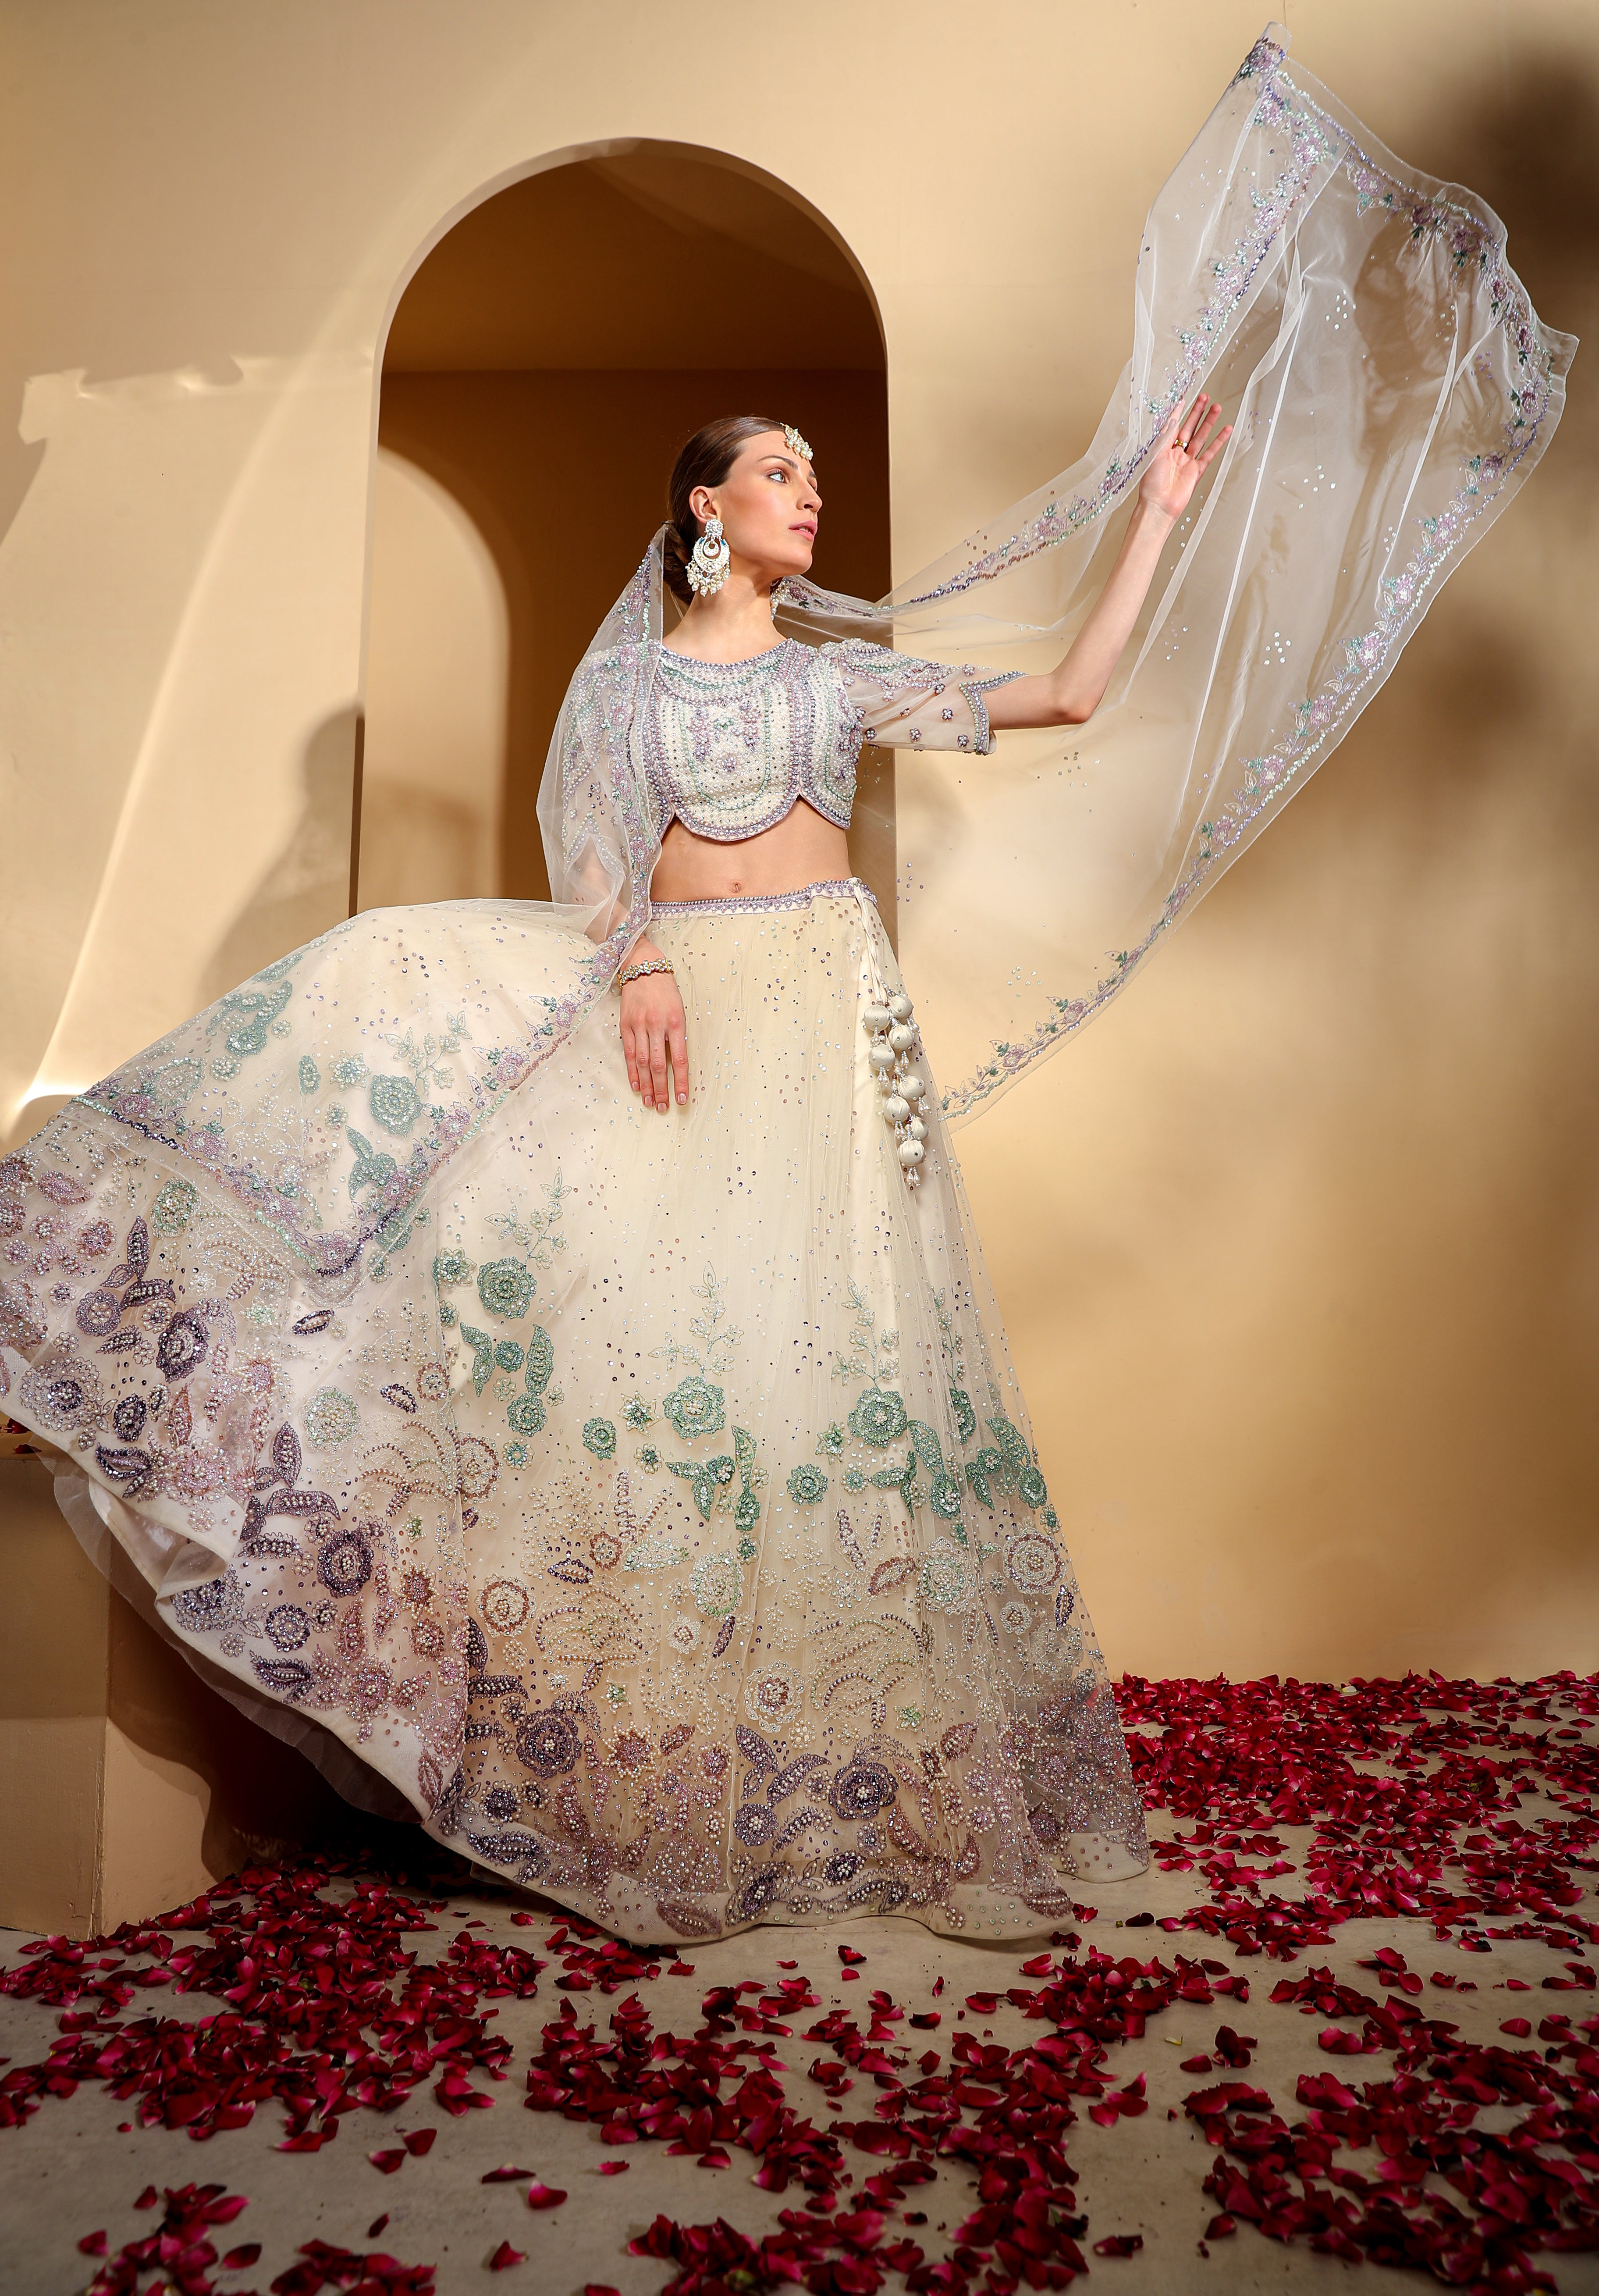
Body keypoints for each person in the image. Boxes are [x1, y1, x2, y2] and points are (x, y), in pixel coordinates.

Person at [1, 27, 1570, 1942]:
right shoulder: (633, 682)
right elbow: (595, 846)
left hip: (826, 1011)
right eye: (777, 472)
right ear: (703, 511)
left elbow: (1069, 692)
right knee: (638, 1344)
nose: (809, 493)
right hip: (685, 1000)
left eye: (813, 471)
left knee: (826, 1365)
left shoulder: (838, 677)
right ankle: (646, 1778)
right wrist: (642, 965)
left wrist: (1158, 512)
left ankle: (848, 1788)